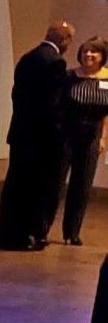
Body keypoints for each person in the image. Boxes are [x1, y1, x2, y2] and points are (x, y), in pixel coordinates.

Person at [0, 22, 74, 251]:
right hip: (41, 138)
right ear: (65, 40)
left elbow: (17, 95)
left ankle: (5, 235)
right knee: (33, 189)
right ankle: (23, 236)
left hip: (20, 133)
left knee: (14, 186)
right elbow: (52, 104)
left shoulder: (27, 58)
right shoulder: (56, 62)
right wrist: (60, 134)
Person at [61, 37, 108, 247]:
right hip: (67, 135)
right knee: (56, 183)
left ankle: (72, 232)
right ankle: (41, 229)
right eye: (85, 51)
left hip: (92, 137)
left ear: (102, 56)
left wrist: (103, 138)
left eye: (94, 52)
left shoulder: (107, 80)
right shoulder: (69, 76)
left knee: (82, 186)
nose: (88, 55)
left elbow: (106, 114)